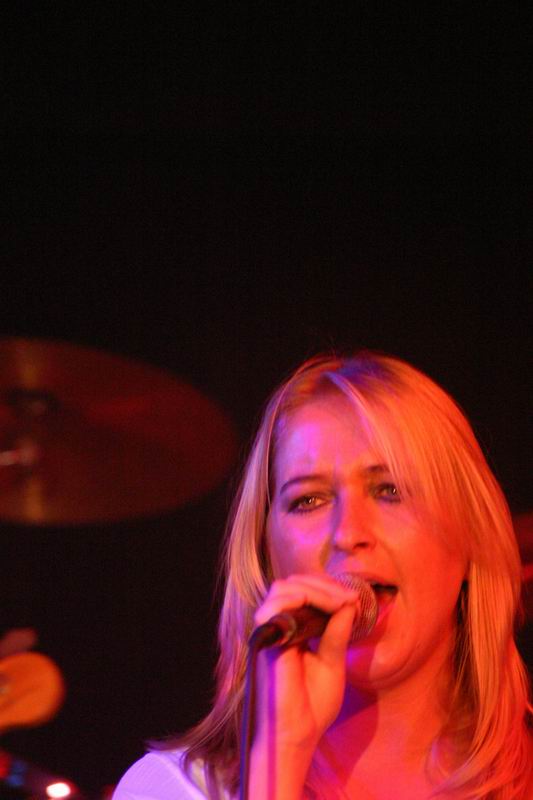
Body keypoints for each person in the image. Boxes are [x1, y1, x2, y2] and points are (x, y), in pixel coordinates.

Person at [114, 352, 532, 799]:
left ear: (470, 536)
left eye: (390, 490)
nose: (348, 533)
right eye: (309, 500)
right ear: (267, 556)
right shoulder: (168, 789)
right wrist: (281, 756)